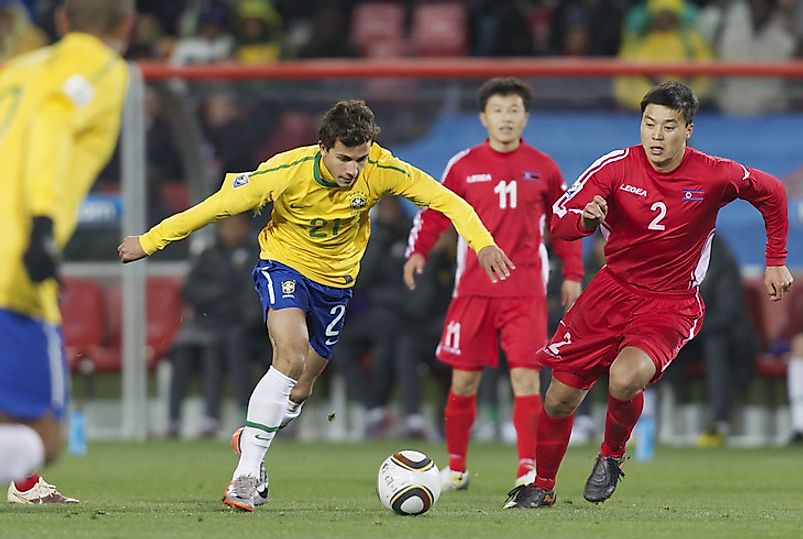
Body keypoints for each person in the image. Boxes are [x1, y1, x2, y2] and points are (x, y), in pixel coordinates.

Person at [117, 99, 514, 512]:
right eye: (344, 158)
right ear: (322, 146)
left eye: (360, 159)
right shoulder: (284, 171)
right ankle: (247, 474)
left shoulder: (383, 169)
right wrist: (150, 241)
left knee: (300, 390)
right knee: (288, 356)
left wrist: (482, 243)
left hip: (336, 287)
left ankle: (252, 437)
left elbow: (448, 200)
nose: (353, 169)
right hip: (283, 266)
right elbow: (214, 208)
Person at [504, 80, 793, 509]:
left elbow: (773, 192)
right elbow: (560, 221)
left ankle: (611, 455)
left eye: (668, 126)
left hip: (671, 302)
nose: (656, 136)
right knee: (559, 397)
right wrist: (585, 221)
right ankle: (542, 486)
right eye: (649, 123)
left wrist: (776, 258)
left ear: (688, 130)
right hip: (610, 292)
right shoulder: (615, 168)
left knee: (625, 376)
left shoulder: (715, 173)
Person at [403, 77, 583, 492]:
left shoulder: (545, 167)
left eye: (514, 110)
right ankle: (456, 468)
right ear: (483, 117)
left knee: (525, 379)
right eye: (498, 110)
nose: (506, 118)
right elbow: (434, 212)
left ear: (525, 117)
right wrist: (418, 252)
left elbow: (563, 226)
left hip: (525, 292)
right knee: (463, 380)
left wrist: (572, 273)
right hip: (472, 290)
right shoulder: (463, 165)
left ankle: (526, 467)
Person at [0, 0, 133, 504]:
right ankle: (27, 485)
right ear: (128, 26)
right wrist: (41, 226)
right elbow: (54, 125)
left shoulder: (18, 69)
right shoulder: (103, 68)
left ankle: (26, 486)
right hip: (11, 259)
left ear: (61, 21)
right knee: (41, 437)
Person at [167, 213, 264, 439]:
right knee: (181, 349)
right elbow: (190, 289)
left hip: (240, 325)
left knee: (217, 347)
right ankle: (174, 419)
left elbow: (249, 293)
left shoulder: (256, 253)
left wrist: (219, 297)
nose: (232, 231)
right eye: (227, 226)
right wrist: (222, 293)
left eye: (237, 225)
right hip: (206, 323)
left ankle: (219, 416)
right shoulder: (208, 254)